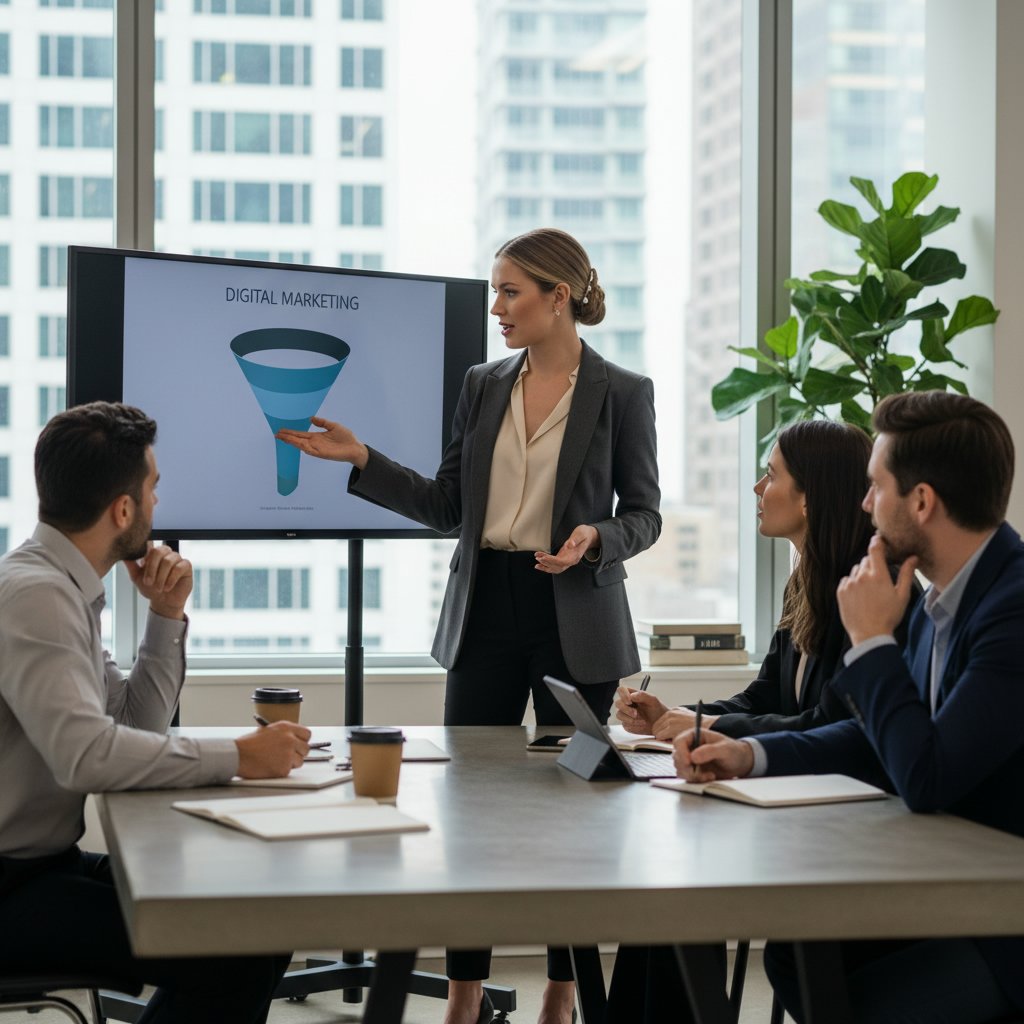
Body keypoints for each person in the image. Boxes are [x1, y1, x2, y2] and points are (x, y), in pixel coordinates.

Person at [277, 227, 661, 1024]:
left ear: (561, 298)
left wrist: (600, 538)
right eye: (496, 290)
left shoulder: (623, 391)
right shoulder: (483, 384)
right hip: (487, 605)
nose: (497, 308)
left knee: (575, 816)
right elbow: (449, 504)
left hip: (576, 609)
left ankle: (562, 993)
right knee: (468, 811)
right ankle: (464, 999)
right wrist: (362, 460)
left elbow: (647, 512)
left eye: (511, 292)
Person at [676, 391, 1024, 1024]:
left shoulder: (1013, 608)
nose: (865, 503)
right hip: (946, 882)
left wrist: (871, 643)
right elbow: (878, 740)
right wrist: (746, 754)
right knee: (798, 951)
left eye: (876, 486)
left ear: (921, 502)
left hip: (1003, 923)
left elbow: (925, 774)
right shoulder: (944, 597)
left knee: (849, 990)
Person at [0, 401, 312, 1024]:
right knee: (239, 949)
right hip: (11, 887)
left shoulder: (64, 588)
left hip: (43, 867)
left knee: (260, 918)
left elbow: (132, 731)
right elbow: (87, 757)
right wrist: (240, 758)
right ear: (123, 509)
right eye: (153, 490)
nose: (156, 505)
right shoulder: (36, 597)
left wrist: (166, 616)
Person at [615, 418, 878, 743]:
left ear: (809, 497)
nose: (757, 488)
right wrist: (673, 717)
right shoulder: (803, 583)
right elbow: (764, 698)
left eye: (771, 476)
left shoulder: (870, 592)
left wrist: (708, 729)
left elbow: (830, 724)